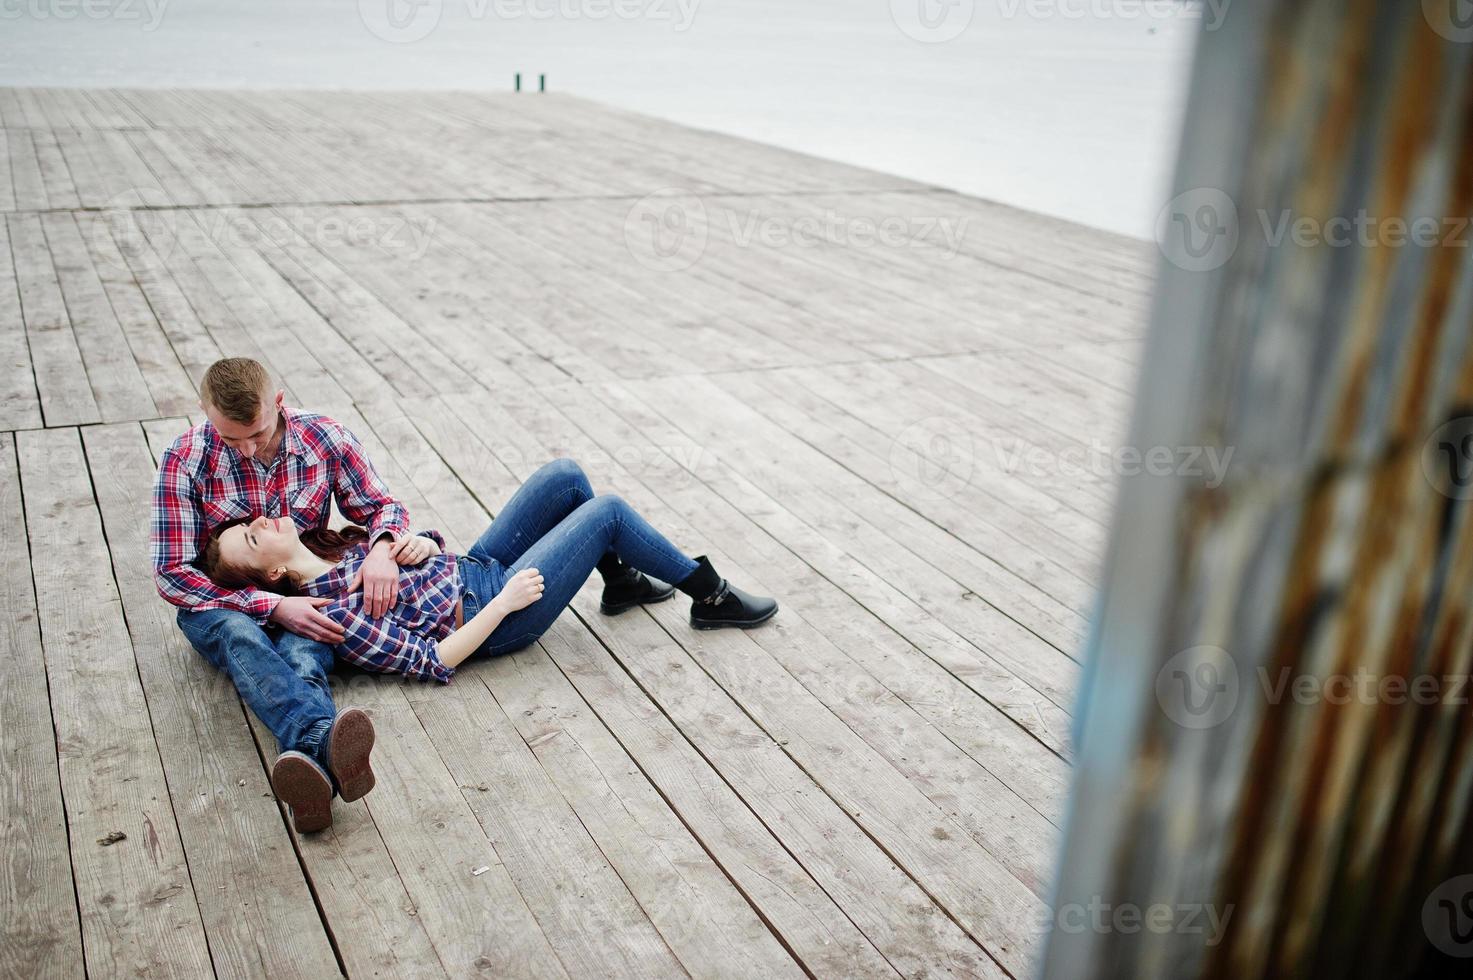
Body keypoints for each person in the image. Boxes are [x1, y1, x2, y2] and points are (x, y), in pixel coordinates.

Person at [195, 457, 779, 686]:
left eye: (251, 521)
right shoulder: (330, 611)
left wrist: (417, 544)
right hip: (495, 611)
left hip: (476, 566)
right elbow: (430, 661)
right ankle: (711, 595)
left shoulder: (339, 548)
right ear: (269, 577)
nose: (266, 521)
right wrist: (503, 605)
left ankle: (621, 583)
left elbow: (425, 554)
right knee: (605, 512)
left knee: (566, 477)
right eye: (251, 537)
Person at [152, 357, 415, 833]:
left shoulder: (324, 437)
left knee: (303, 655)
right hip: (223, 603)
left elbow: (382, 507)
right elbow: (172, 574)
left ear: (278, 402)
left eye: (257, 432)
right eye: (232, 438)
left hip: (307, 590)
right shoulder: (184, 459)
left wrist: (382, 549)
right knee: (240, 635)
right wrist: (270, 605)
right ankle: (320, 740)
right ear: (204, 411)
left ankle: (309, 776)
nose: (248, 450)